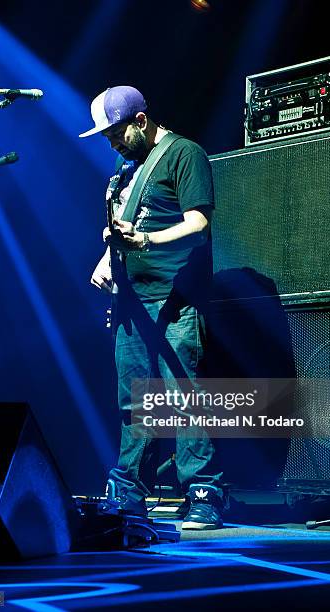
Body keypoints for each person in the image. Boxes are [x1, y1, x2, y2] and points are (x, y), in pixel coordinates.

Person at [81, 85, 224, 529]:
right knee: (134, 403)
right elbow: (126, 226)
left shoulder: (185, 154)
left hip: (176, 298)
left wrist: (146, 240)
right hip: (132, 304)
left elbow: (198, 222)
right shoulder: (125, 173)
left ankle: (203, 491)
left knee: (186, 398)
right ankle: (128, 492)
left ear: (140, 122)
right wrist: (108, 259)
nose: (112, 143)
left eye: (116, 133)